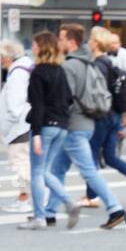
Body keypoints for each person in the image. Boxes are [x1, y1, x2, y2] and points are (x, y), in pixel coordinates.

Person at [49, 22, 126, 229]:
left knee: (88, 171)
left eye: (62, 38)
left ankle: (115, 208)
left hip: (73, 125)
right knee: (58, 168)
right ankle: (48, 213)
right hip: (86, 123)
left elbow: (65, 98)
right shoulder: (87, 62)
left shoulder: (69, 66)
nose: (59, 42)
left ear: (71, 41)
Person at [20, 31, 79, 230]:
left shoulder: (38, 72)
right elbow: (69, 100)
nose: (33, 47)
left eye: (35, 44)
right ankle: (69, 202)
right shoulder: (59, 70)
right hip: (61, 126)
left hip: (44, 126)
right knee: (45, 171)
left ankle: (39, 217)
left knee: (37, 172)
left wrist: (36, 133)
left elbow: (37, 106)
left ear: (42, 47)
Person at [89, 27, 126, 195]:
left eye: (91, 39)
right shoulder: (109, 62)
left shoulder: (99, 64)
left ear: (95, 43)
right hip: (115, 114)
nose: (88, 42)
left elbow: (97, 93)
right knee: (110, 157)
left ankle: (91, 195)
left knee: (93, 155)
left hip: (103, 115)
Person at [0, 39, 34, 212]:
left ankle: (24, 197)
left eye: (2, 56)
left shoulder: (17, 73)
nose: (0, 60)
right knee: (24, 161)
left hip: (18, 126)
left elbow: (14, 104)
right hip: (23, 124)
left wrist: (9, 122)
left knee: (19, 162)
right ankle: (26, 196)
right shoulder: (25, 68)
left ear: (8, 56)